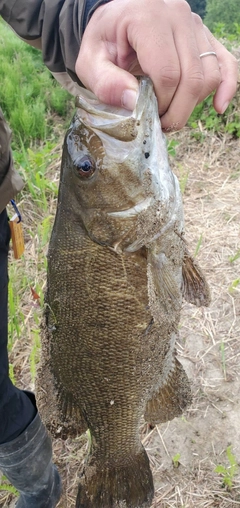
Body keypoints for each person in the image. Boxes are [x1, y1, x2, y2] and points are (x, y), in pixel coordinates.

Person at [0, 0, 238, 506]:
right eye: (85, 167)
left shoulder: (135, 226)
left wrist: (95, 14)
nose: (88, 152)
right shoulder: (133, 223)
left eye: (81, 164)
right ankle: (69, 474)